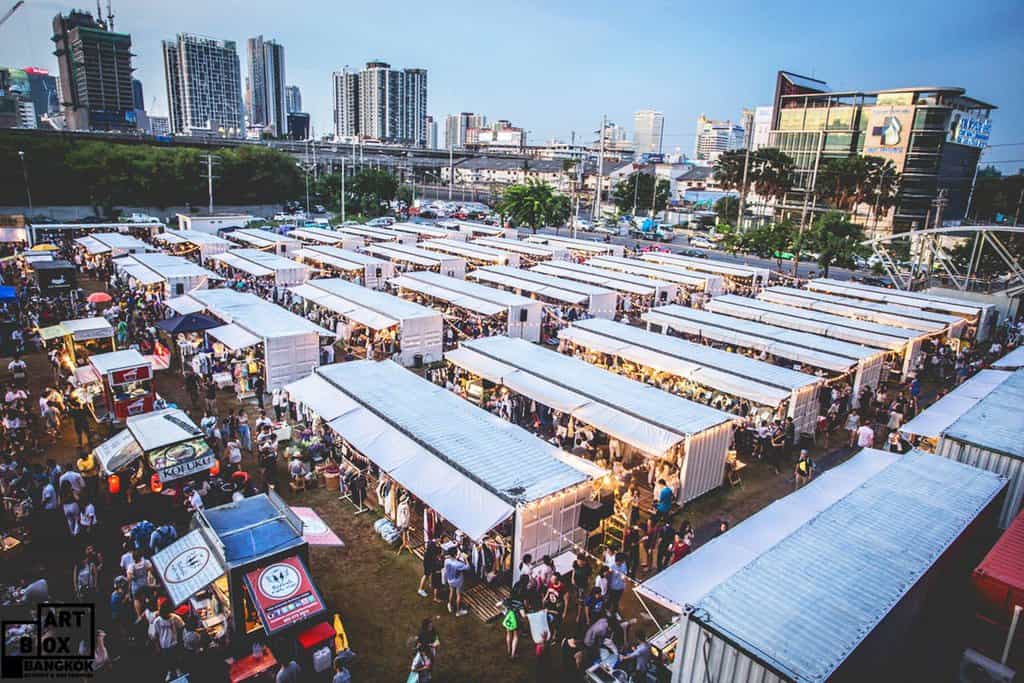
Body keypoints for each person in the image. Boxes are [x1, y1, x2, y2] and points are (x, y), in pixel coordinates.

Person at [149, 602, 184, 679]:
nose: (162, 615)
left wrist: (180, 640)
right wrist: (157, 647)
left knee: (176, 657)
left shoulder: (175, 618)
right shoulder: (157, 621)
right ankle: (170, 671)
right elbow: (155, 636)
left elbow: (181, 627)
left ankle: (178, 670)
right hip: (164, 644)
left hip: (174, 642)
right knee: (167, 659)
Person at [442, 547, 469, 616]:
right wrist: (466, 558)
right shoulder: (459, 564)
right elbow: (467, 567)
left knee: (451, 591)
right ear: (455, 554)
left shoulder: (447, 560)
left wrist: (457, 557)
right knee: (458, 594)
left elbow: (452, 561)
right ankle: (458, 611)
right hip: (458, 581)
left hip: (450, 579)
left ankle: (450, 604)